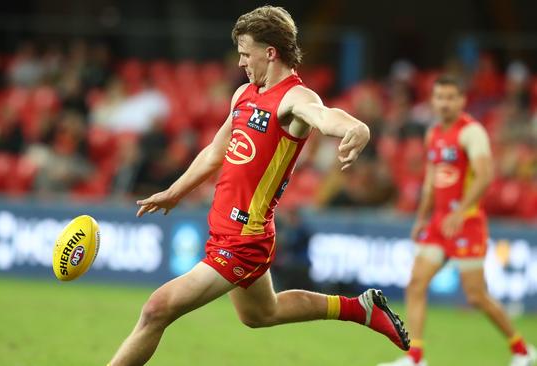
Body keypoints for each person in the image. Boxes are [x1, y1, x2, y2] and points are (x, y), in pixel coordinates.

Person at [108, 6, 410, 365]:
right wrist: (175, 191)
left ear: (270, 52)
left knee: (156, 309)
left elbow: (324, 116)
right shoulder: (244, 95)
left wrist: (358, 128)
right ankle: (359, 309)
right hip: (223, 229)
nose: (240, 63)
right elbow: (214, 152)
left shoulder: (294, 98)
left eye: (245, 53)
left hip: (244, 239)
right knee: (260, 314)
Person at [378, 75, 536, 366]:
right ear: (433, 100)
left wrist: (461, 211)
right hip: (439, 223)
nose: (444, 103)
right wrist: (422, 217)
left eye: (451, 97)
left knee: (476, 296)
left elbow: (486, 175)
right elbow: (430, 181)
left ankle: (521, 349)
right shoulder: (433, 133)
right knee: (416, 283)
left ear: (462, 100)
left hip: (467, 223)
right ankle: (415, 357)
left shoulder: (471, 132)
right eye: (440, 97)